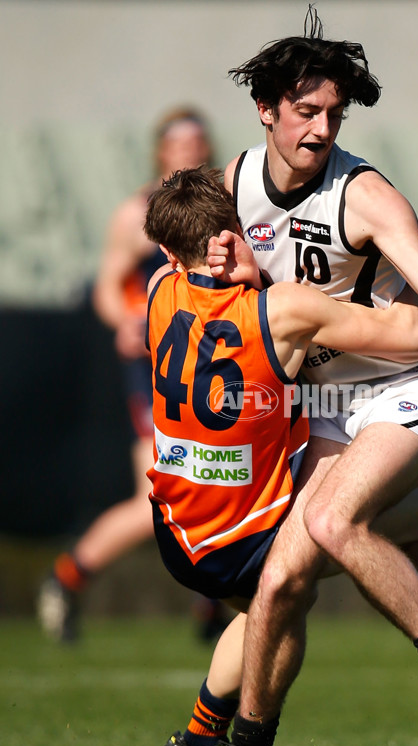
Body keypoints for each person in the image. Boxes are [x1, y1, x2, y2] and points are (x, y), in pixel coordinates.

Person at [146, 8, 418, 746]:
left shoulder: (364, 196)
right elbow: (188, 256)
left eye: (333, 113)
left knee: (333, 523)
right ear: (266, 110)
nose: (320, 128)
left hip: (412, 393)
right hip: (330, 412)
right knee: (283, 578)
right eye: (305, 111)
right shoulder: (233, 186)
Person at [37, 107, 230, 643]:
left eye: (198, 140)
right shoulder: (137, 214)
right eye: (179, 141)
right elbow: (106, 286)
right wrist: (124, 319)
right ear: (161, 151)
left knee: (221, 477)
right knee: (161, 495)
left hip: (216, 363)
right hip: (158, 369)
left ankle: (213, 602)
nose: (190, 149)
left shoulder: (227, 204)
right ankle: (68, 577)